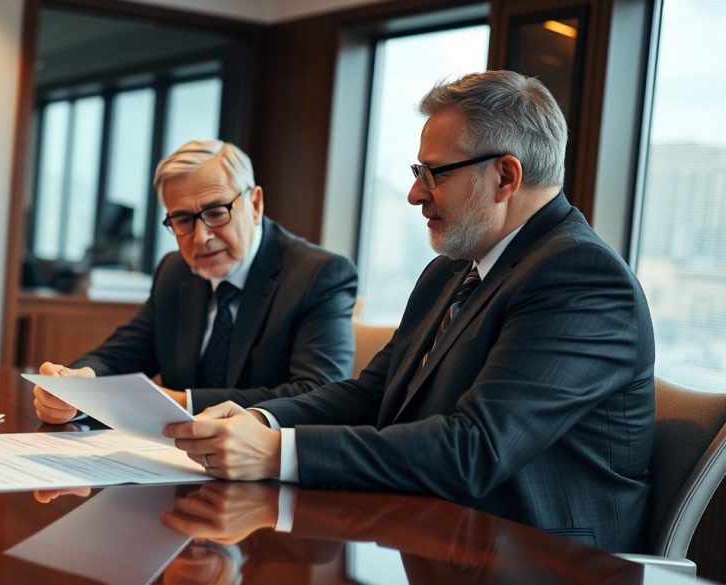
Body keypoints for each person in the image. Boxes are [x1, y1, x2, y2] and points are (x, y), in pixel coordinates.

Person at [164, 71, 656, 553]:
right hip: (435, 535)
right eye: (416, 172)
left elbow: (475, 450)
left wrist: (275, 452)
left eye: (433, 173)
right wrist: (262, 421)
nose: (415, 193)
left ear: (505, 176)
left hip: (544, 562)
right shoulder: (450, 272)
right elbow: (373, 394)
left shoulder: (582, 278)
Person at [33, 139, 358, 424]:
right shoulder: (176, 271)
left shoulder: (320, 275)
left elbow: (317, 393)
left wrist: (181, 403)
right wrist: (76, 387)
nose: (201, 237)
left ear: (256, 204)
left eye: (217, 212)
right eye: (183, 220)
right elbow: (119, 355)